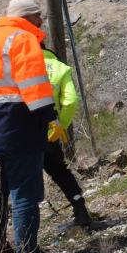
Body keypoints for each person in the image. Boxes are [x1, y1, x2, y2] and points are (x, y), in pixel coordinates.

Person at [0, 0, 63, 253]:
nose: (41, 22)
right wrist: (51, 118)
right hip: (17, 124)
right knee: (24, 192)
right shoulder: (22, 39)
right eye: (39, 17)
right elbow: (33, 85)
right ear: (29, 17)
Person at [41, 44, 94, 229]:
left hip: (24, 134)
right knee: (60, 171)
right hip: (51, 132)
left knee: (15, 182)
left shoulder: (18, 66)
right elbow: (71, 101)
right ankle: (80, 210)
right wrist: (60, 125)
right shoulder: (60, 68)